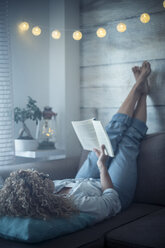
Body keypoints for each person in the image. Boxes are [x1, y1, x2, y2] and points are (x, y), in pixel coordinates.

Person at [0, 61, 151, 222]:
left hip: (82, 181)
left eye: (40, 176)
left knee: (108, 135)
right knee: (129, 141)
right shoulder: (76, 203)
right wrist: (101, 168)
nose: (45, 176)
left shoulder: (49, 191)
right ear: (40, 194)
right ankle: (141, 91)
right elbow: (110, 202)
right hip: (114, 191)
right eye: (42, 180)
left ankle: (139, 88)